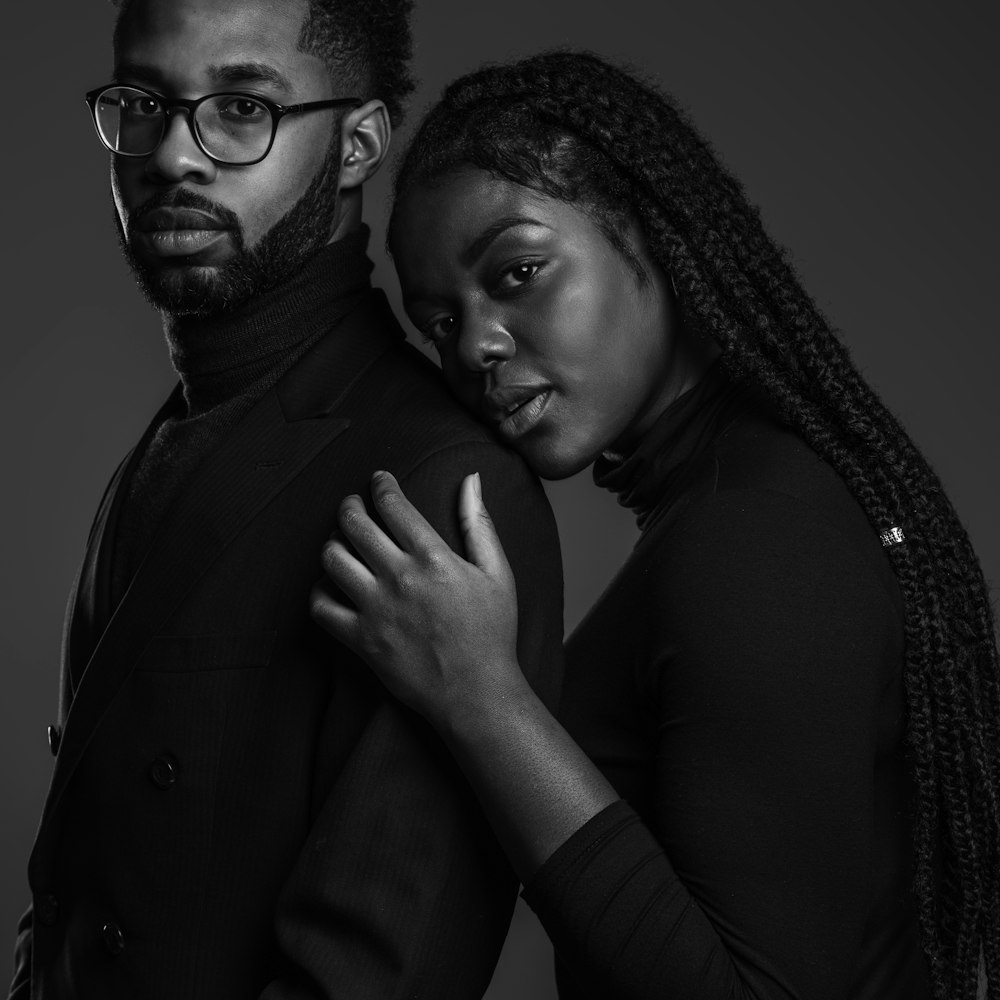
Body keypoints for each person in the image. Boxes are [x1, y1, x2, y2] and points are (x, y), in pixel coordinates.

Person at [311, 50, 1000, 1000]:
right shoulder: (736, 508)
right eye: (439, 322)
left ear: (657, 239)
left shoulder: (754, 542)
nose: (474, 344)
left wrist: (481, 698)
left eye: (517, 272)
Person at [9, 0, 564, 1000]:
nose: (174, 153)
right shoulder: (162, 447)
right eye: (143, 103)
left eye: (243, 109)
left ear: (357, 145)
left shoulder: (439, 485)